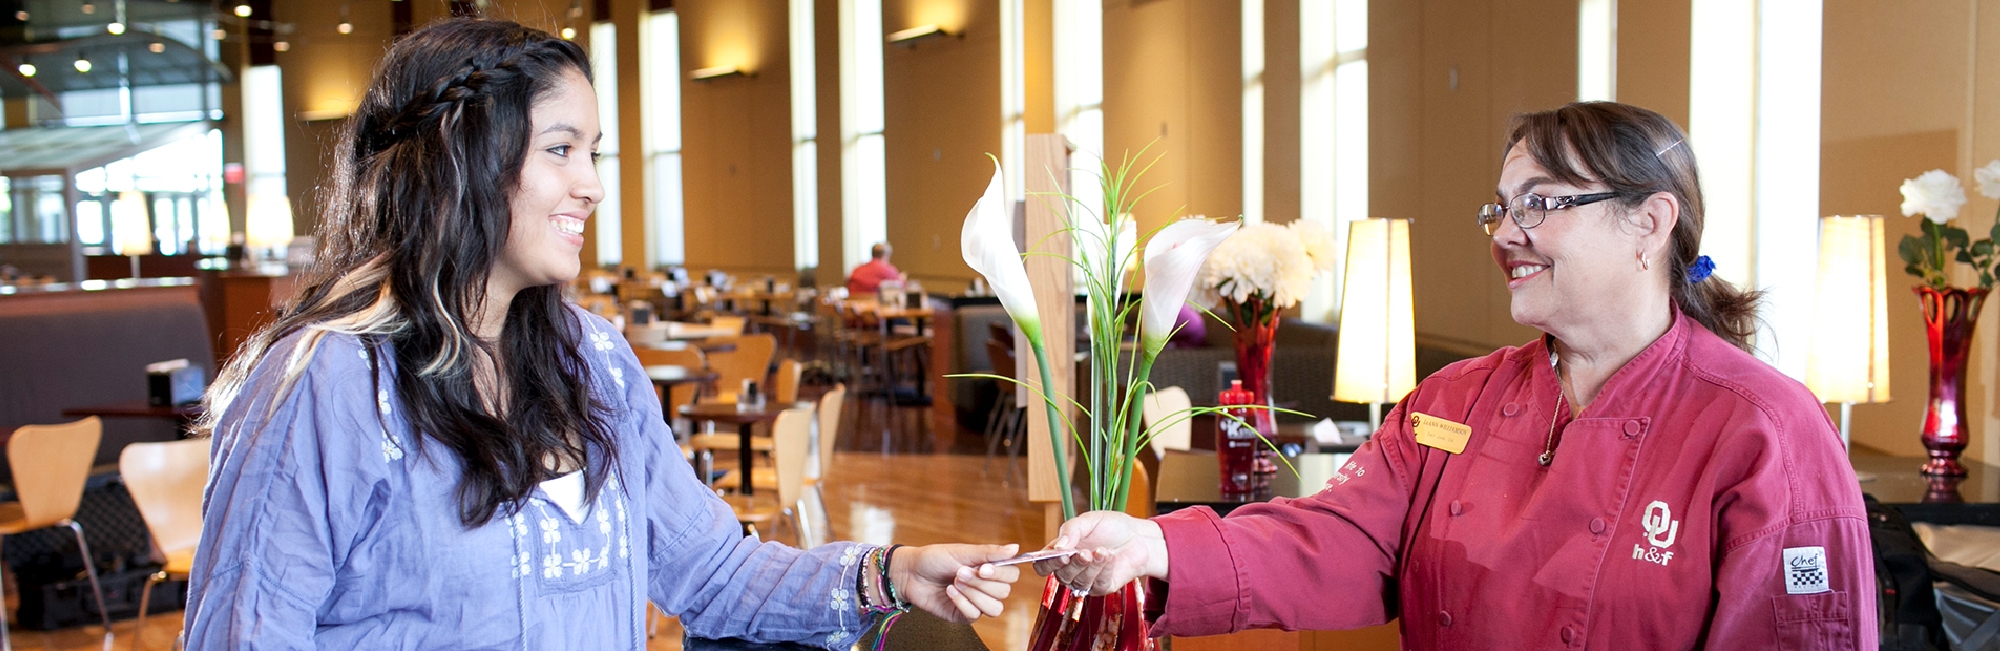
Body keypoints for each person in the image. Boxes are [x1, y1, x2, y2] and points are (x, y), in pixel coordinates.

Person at [185, 20, 1018, 649]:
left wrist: (892, 570)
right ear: (458, 157)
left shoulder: (593, 362)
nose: (590, 186)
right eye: (561, 149)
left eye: (595, 153)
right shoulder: (326, 383)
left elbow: (712, 571)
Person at [1035, 102, 1876, 649]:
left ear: (1649, 223)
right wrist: (1154, 542)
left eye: (1540, 204)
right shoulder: (1453, 400)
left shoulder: (1765, 431)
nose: (1504, 232)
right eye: (1499, 207)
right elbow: (1343, 537)